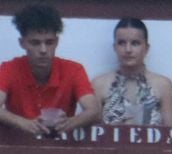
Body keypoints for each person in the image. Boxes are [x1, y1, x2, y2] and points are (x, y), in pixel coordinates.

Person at [0, 3, 99, 136]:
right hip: (19, 146)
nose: (43, 50)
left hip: (61, 148)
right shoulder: (9, 69)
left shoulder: (74, 70)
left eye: (49, 42)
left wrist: (71, 122)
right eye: (35, 43)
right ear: (22, 43)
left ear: (57, 42)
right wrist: (23, 123)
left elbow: (93, 110)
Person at [90, 17, 172, 126]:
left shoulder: (163, 85)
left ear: (146, 48)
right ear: (114, 47)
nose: (128, 49)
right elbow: (92, 137)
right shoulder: (99, 85)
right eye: (122, 43)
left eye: (135, 43)